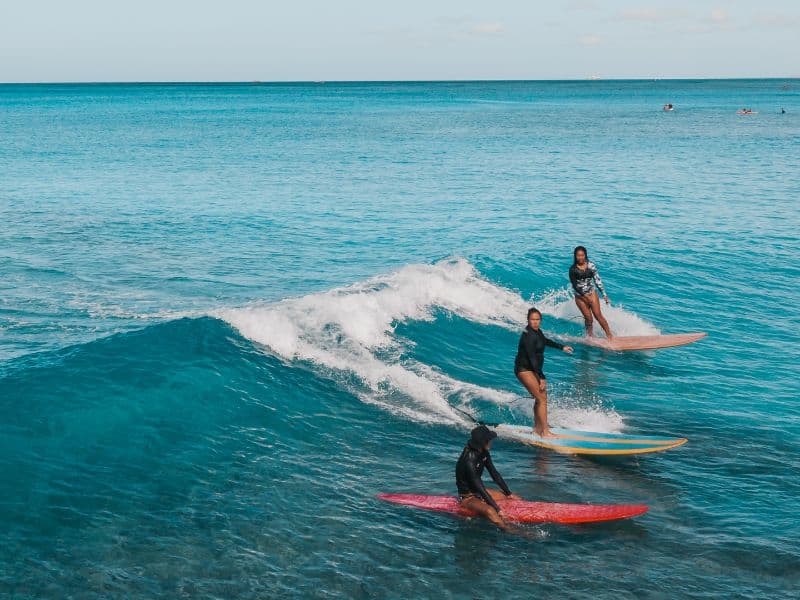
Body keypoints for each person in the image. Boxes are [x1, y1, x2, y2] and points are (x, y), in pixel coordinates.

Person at [514, 307, 573, 438]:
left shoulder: (537, 332)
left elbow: (544, 341)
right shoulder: (528, 335)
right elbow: (532, 357)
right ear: (528, 320)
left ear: (540, 320)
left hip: (532, 369)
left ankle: (537, 428)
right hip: (524, 369)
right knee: (542, 398)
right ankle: (545, 432)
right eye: (532, 319)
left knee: (540, 397)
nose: (535, 322)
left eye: (537, 319)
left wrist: (561, 347)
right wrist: (541, 376)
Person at [456, 425, 520, 530]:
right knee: (490, 511)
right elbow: (480, 488)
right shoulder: (469, 461)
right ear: (482, 442)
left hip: (478, 492)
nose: (491, 442)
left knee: (506, 497)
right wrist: (498, 510)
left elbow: (494, 473)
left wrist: (509, 493)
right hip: (468, 498)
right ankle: (509, 529)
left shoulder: (483, 452)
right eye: (489, 440)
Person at [569, 245, 613, 339]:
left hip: (591, 293)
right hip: (580, 296)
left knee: (598, 315)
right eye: (578, 255)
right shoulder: (572, 269)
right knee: (589, 318)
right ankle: (590, 337)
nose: (580, 257)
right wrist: (585, 297)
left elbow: (597, 280)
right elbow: (575, 286)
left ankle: (610, 336)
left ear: (585, 255)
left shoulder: (591, 265)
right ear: (575, 256)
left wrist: (604, 295)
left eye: (582, 255)